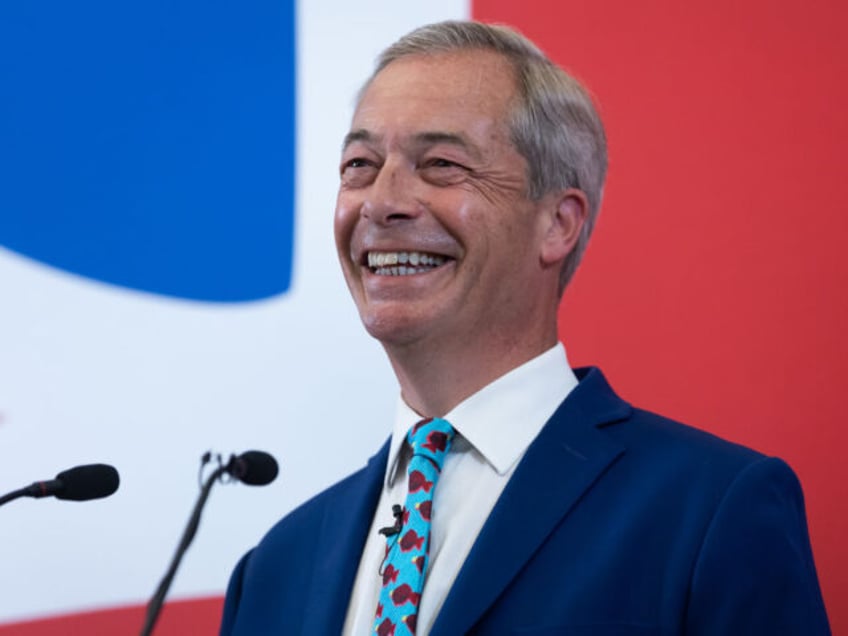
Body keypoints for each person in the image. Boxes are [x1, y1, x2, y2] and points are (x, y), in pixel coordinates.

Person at [220, 20, 830, 635]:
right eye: (360, 164)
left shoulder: (711, 513)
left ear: (558, 225)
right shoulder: (274, 570)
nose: (382, 201)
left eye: (440, 164)